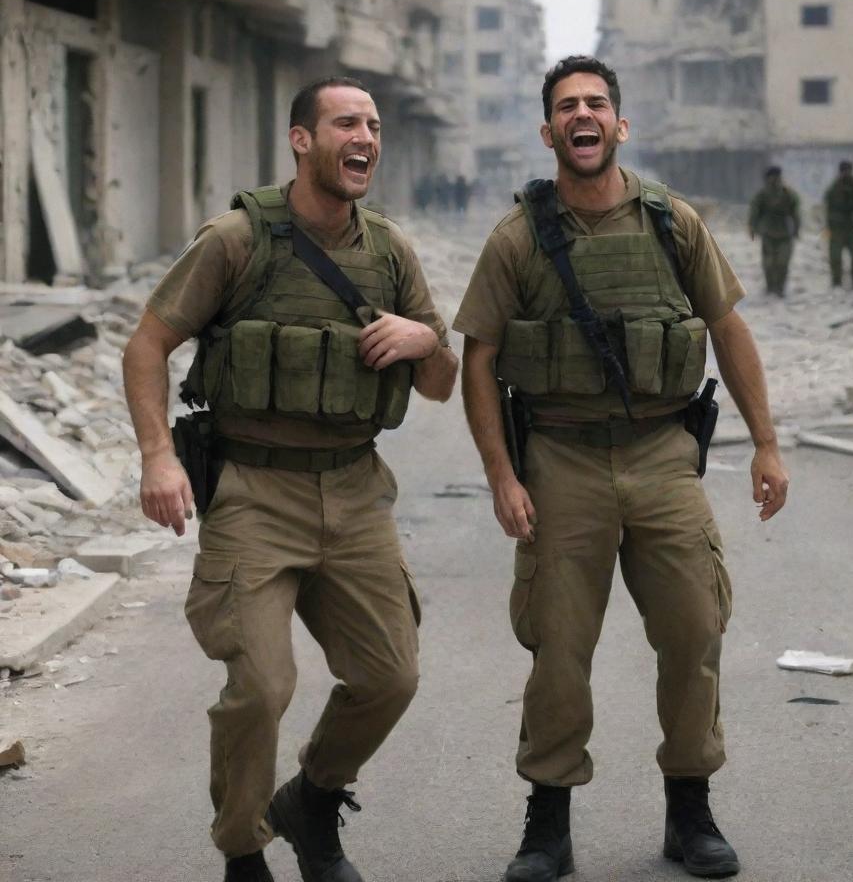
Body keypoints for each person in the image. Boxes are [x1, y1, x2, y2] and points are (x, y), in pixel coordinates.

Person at [456, 55, 789, 882]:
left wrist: (768, 444)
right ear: (548, 132)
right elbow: (479, 358)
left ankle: (690, 810)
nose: (583, 116)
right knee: (560, 648)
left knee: (693, 630)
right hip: (561, 458)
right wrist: (503, 475)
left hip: (662, 454)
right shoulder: (518, 239)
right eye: (567, 107)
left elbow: (727, 328)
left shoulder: (673, 222)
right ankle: (548, 824)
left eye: (596, 104)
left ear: (619, 124)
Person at [122, 76, 458, 882]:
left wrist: (424, 340)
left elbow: (442, 381)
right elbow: (146, 345)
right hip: (253, 493)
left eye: (374, 125)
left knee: (390, 676)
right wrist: (158, 456)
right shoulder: (236, 240)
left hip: (355, 489)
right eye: (347, 122)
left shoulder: (388, 250)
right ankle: (244, 850)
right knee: (261, 688)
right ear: (302, 140)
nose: (366, 138)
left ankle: (312, 796)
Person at [748, 166, 800, 297]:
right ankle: (771, 287)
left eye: (777, 177)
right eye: (772, 177)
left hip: (784, 233)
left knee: (783, 262)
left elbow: (796, 213)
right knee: (769, 264)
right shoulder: (762, 195)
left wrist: (796, 229)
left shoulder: (788, 194)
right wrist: (752, 228)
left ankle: (780, 288)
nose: (775, 180)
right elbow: (754, 213)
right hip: (768, 234)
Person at [823, 161, 853, 289]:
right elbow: (828, 206)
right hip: (837, 227)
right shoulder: (834, 187)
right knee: (835, 256)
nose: (846, 173)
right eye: (844, 170)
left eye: (848, 170)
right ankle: (836, 281)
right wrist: (829, 224)